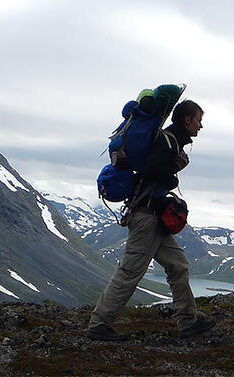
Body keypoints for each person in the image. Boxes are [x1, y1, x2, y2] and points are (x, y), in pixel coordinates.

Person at [87, 94, 214, 341]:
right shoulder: (167, 141)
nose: (201, 125)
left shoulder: (171, 140)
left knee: (178, 266)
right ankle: (98, 325)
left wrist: (171, 172)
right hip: (147, 217)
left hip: (154, 217)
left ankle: (189, 322)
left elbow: (153, 171)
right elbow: (150, 171)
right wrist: (172, 176)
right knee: (130, 272)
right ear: (187, 120)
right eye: (198, 120)